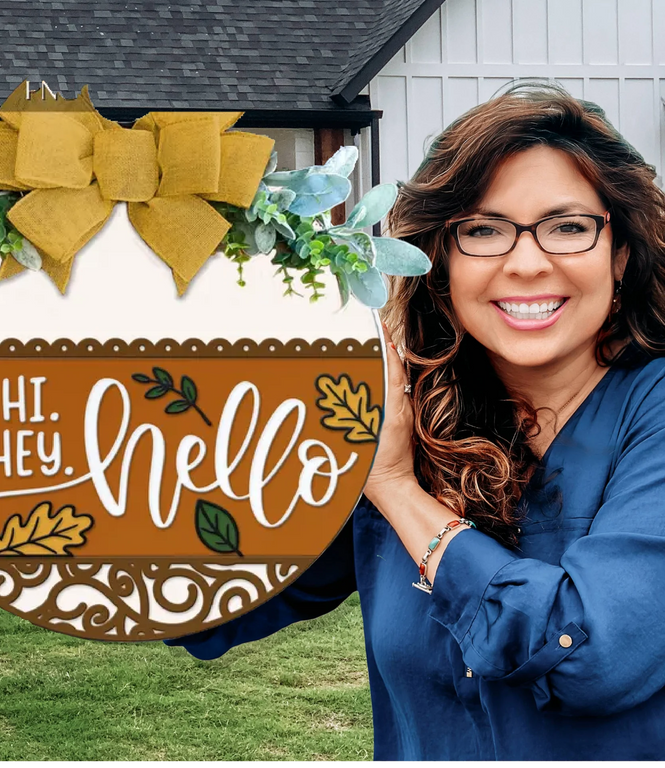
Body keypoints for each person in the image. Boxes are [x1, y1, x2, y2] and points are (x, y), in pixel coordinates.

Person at [165, 82, 665, 761]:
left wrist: (398, 489)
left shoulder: (650, 414)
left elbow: (592, 655)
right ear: (441, 261)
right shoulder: (404, 412)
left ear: (622, 252)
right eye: (483, 230)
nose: (526, 262)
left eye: (568, 227)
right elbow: (213, 598)